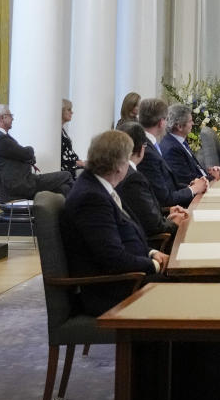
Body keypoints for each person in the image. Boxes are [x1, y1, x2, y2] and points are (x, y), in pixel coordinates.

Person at [59, 129, 168, 316]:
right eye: (127, 160)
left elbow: (123, 235)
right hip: (111, 290)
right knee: (187, 286)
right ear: (119, 166)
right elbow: (113, 258)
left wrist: (151, 252)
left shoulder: (99, 186)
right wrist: (153, 265)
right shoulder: (91, 197)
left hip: (126, 278)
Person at [117, 121, 188, 242]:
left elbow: (144, 212)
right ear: (141, 149)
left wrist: (168, 213)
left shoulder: (122, 172)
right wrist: (175, 222)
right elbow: (154, 226)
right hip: (152, 244)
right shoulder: (133, 178)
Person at [0, 105, 71, 202]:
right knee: (66, 175)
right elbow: (27, 153)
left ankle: (69, 214)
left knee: (64, 188)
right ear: (3, 117)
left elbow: (21, 154)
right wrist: (30, 151)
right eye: (10, 115)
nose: (13, 118)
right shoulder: (0, 139)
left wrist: (27, 156)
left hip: (18, 183)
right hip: (21, 185)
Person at [139, 97, 208, 210]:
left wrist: (191, 185)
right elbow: (164, 198)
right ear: (161, 123)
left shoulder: (150, 144)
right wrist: (193, 189)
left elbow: (167, 184)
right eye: (166, 119)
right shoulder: (147, 151)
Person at [161, 103, 220, 187]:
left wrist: (211, 172)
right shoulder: (171, 149)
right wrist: (213, 177)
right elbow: (187, 180)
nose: (193, 123)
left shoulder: (179, 141)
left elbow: (195, 170)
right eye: (190, 121)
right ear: (179, 126)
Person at [60, 99, 84, 176]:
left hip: (72, 166)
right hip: (68, 170)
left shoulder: (61, 131)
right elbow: (62, 159)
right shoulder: (57, 133)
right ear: (61, 111)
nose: (72, 112)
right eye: (69, 110)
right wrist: (79, 163)